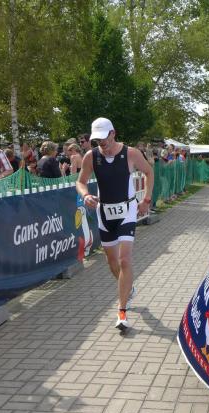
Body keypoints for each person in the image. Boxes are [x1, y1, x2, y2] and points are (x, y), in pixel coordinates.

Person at [76, 118, 154, 331]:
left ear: (113, 133)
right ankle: (128, 288)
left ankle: (122, 311)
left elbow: (148, 172)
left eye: (104, 138)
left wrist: (146, 200)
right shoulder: (91, 156)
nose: (101, 143)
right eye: (97, 139)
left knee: (124, 259)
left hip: (127, 211)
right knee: (112, 263)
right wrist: (85, 195)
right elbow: (80, 181)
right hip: (104, 213)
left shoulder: (130, 153)